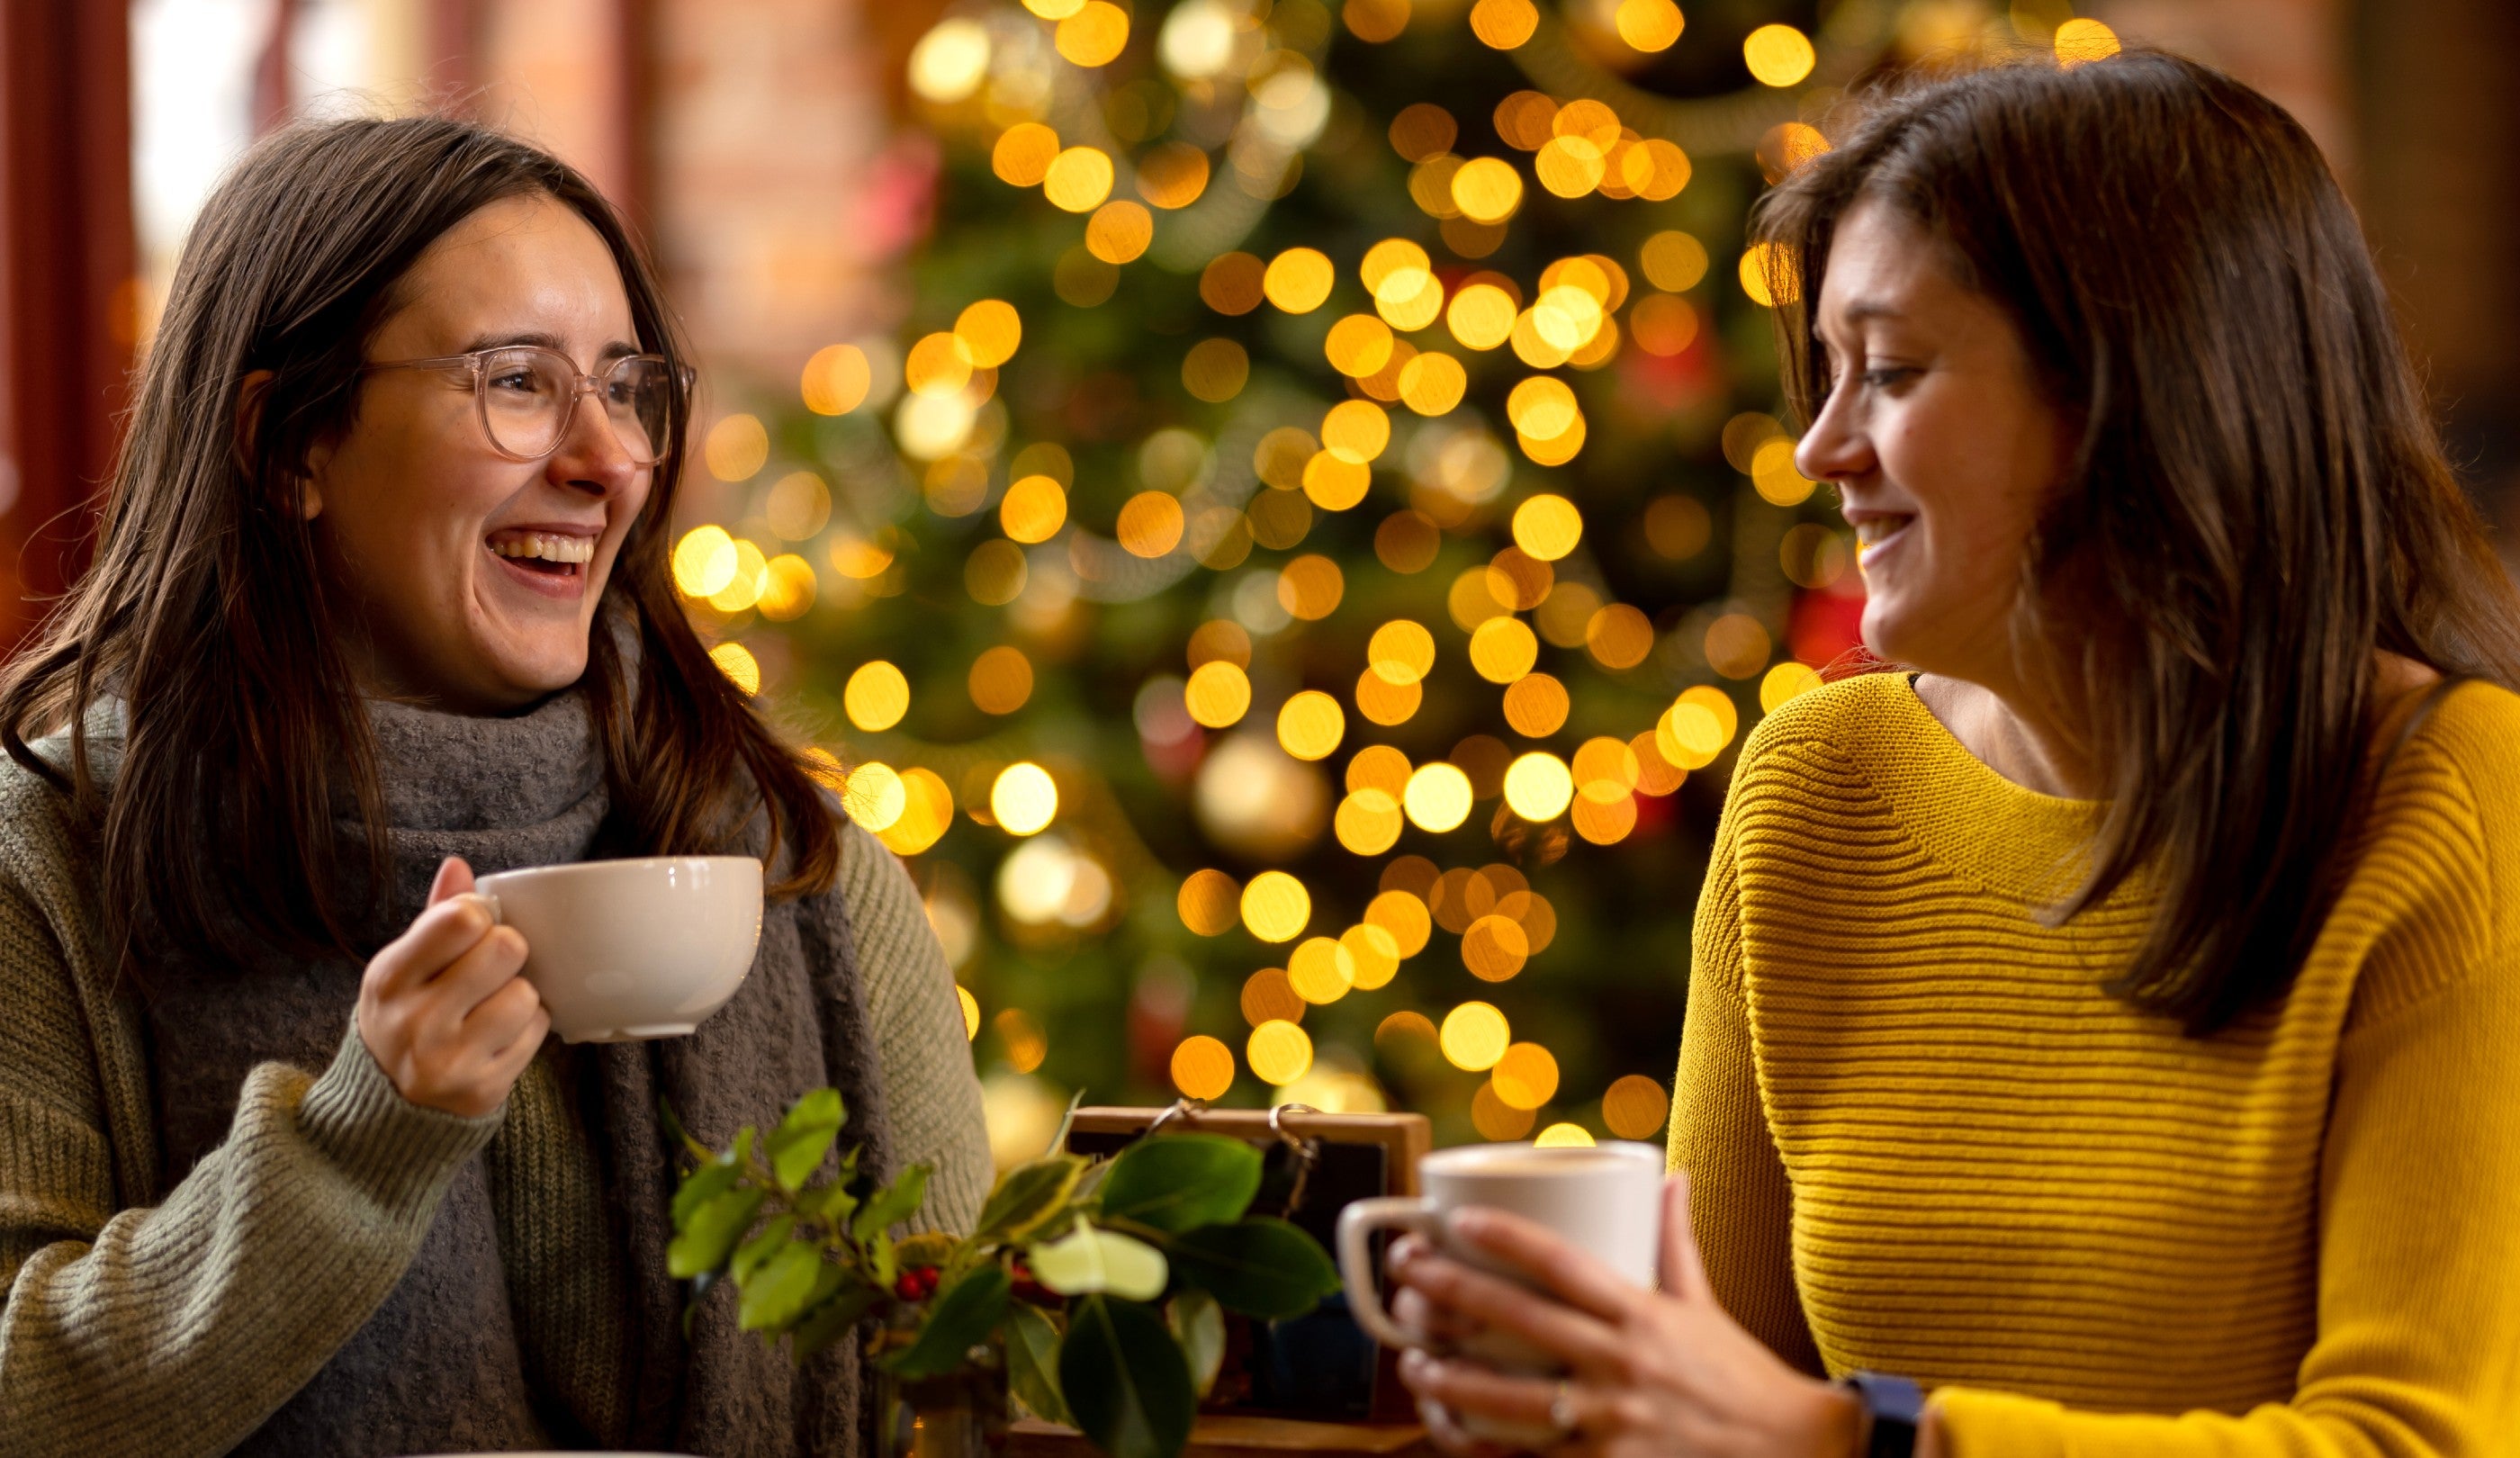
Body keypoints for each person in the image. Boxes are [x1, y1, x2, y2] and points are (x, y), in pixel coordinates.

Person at [1387, 51, 2520, 1457]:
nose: (1819, 447)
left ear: (2138, 392)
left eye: (1895, 371)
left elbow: (2417, 1441)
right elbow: (1699, 1396)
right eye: (1829, 374)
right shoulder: (1817, 791)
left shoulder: (2453, 798)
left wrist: (1854, 1441)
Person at [0, 117, 990, 1456]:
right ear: (287, 441)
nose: (611, 460)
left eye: (627, 386)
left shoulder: (796, 871)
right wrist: (358, 1148)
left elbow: (961, 1388)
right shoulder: (50, 863)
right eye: (517, 381)